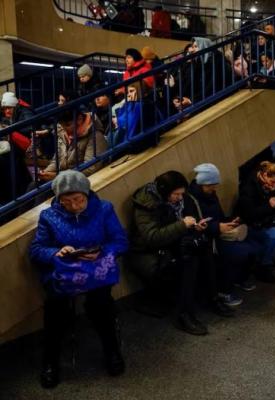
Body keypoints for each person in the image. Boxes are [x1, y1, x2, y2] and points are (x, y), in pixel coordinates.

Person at [29, 170, 128, 388]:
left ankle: (112, 351)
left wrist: (101, 251)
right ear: (58, 200)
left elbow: (120, 240)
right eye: (67, 202)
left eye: (78, 200)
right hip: (66, 273)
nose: (74, 206)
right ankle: (50, 361)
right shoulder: (49, 216)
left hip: (96, 271)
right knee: (55, 310)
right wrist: (57, 252)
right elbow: (36, 250)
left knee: (101, 306)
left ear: (87, 194)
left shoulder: (103, 209)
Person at [128, 171, 234, 335]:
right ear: (165, 192)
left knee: (204, 248)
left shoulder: (182, 200)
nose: (180, 198)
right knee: (188, 260)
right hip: (147, 252)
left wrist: (196, 226)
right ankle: (182, 314)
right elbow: (152, 237)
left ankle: (212, 297)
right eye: (176, 194)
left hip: (171, 242)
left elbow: (179, 225)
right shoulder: (146, 204)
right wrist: (182, 225)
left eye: (181, 194)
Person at [188, 164, 259, 302]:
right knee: (239, 252)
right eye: (211, 185)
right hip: (208, 238)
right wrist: (217, 227)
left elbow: (219, 216)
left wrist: (231, 221)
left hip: (218, 231)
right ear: (203, 184)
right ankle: (224, 291)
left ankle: (239, 278)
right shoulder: (192, 200)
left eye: (215, 185)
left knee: (252, 246)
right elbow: (196, 224)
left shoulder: (210, 194)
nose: (214, 188)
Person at [236, 161, 275, 283]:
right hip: (254, 224)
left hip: (272, 219)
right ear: (264, 175)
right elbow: (250, 215)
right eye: (272, 182)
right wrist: (269, 206)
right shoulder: (248, 188)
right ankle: (263, 266)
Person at [39, 109, 108, 181]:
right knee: (35, 184)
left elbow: (90, 169)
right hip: (65, 177)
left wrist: (58, 176)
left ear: (79, 119)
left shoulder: (95, 136)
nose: (64, 129)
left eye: (68, 125)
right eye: (62, 125)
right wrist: (46, 172)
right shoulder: (62, 133)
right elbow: (57, 160)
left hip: (80, 181)